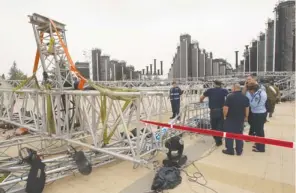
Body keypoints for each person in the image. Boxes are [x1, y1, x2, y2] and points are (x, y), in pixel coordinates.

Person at [222, 84, 249, 155]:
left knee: (229, 135)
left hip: (230, 118)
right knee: (239, 134)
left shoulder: (229, 96)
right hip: (240, 119)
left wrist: (224, 116)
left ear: (234, 88)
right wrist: (246, 117)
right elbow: (247, 108)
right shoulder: (245, 97)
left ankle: (230, 150)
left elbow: (225, 108)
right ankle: (239, 150)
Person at [200, 80, 229, 146]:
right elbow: (228, 98)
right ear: (220, 84)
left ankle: (216, 138)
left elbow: (201, 98)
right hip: (221, 110)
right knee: (220, 125)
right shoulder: (224, 91)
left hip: (213, 111)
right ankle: (219, 139)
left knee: (213, 125)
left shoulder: (210, 90)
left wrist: (201, 101)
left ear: (214, 84)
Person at [246, 82, 267, 153]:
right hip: (260, 113)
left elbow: (253, 105)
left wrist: (249, 99)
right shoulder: (261, 91)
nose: (249, 92)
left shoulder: (258, 95)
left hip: (258, 114)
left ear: (252, 90)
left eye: (249, 91)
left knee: (259, 131)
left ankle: (261, 148)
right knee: (258, 130)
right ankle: (258, 144)